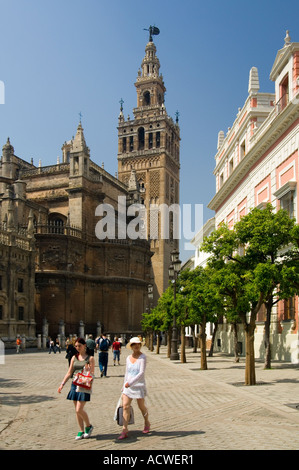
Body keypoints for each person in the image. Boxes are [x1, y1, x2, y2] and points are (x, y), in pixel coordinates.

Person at [58, 337, 95, 440]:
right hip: (74, 384)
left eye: (79, 346)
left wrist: (87, 371)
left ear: (85, 346)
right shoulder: (74, 357)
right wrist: (62, 384)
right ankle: (81, 430)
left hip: (84, 385)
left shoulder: (90, 358)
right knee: (76, 410)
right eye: (76, 346)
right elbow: (69, 372)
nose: (78, 348)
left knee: (79, 409)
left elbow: (92, 374)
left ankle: (89, 426)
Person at [118, 337, 150, 440]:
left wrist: (130, 383)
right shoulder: (128, 358)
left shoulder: (143, 357)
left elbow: (141, 373)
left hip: (138, 385)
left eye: (138, 344)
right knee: (125, 406)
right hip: (128, 386)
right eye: (134, 344)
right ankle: (124, 429)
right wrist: (124, 385)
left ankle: (146, 422)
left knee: (141, 407)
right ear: (131, 346)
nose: (136, 346)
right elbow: (127, 372)